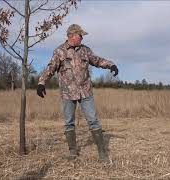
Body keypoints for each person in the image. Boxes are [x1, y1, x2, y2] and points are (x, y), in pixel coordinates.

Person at [37, 24, 119, 162]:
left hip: (86, 92)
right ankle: (73, 152)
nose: (82, 38)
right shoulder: (59, 51)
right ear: (72, 36)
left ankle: (102, 153)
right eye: (80, 35)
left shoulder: (85, 50)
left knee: (93, 121)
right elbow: (51, 68)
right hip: (68, 93)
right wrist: (41, 83)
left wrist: (111, 64)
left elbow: (97, 60)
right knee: (69, 122)